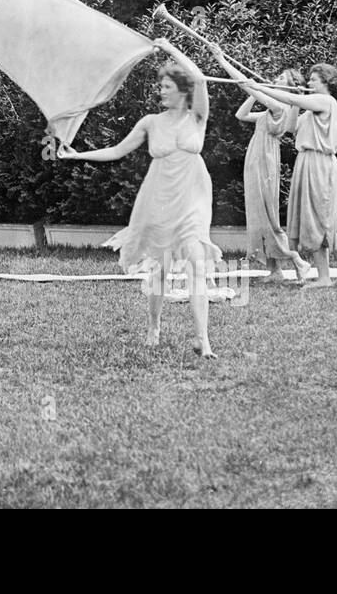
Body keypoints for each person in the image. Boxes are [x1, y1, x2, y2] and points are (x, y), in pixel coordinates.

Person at [58, 38, 222, 357]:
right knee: (160, 267)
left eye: (166, 85)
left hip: (193, 195)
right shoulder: (150, 123)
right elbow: (118, 150)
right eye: (159, 86)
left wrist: (170, 48)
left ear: (182, 89)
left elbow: (200, 77)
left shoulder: (197, 115)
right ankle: (154, 325)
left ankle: (203, 339)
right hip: (160, 195)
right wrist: (78, 156)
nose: (160, 90)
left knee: (195, 259)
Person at [209, 48, 337, 288]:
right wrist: (287, 98)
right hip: (307, 163)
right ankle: (324, 278)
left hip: (321, 165)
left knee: (323, 224)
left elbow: (292, 100)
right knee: (311, 224)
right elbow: (293, 125)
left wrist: (261, 87)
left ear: (326, 82)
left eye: (314, 79)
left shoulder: (326, 101)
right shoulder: (311, 110)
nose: (310, 82)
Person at [236, 69, 311, 284]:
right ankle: (274, 270)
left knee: (267, 215)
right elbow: (240, 115)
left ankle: (296, 259)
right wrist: (254, 91)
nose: (275, 79)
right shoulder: (270, 110)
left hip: (265, 160)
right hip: (255, 159)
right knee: (259, 214)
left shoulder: (280, 107)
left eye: (280, 78)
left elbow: (244, 84)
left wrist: (252, 85)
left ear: (290, 86)